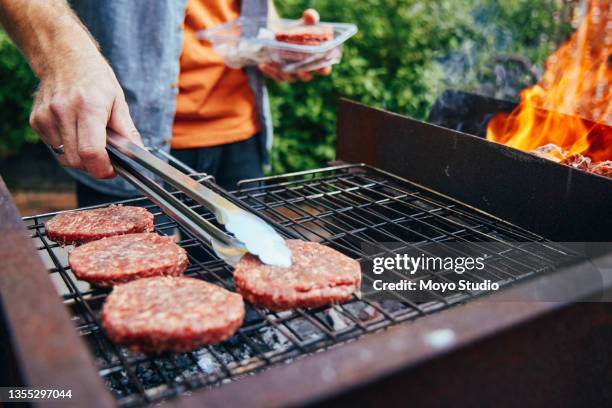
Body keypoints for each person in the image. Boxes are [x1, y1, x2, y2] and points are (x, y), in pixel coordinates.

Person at [0, 0, 330, 206]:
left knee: (249, 305)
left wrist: (283, 46)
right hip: (128, 144)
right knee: (132, 308)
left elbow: (251, 16)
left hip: (241, 135)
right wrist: (64, 56)